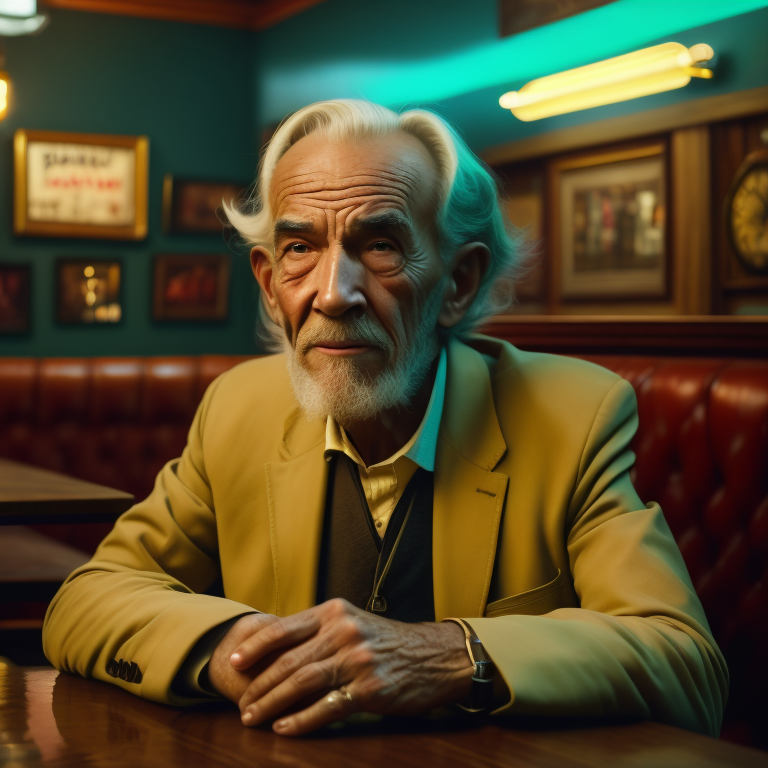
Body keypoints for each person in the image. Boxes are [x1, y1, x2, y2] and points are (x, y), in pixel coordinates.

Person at [43, 100, 727, 738]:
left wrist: (451, 654)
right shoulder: (236, 409)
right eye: (299, 248)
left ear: (458, 282)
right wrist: (227, 647)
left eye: (379, 246)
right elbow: (88, 600)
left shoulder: (574, 415)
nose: (333, 295)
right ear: (268, 279)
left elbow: (685, 662)